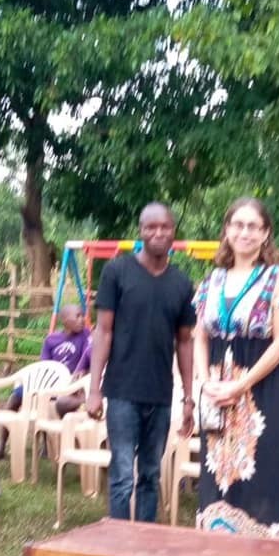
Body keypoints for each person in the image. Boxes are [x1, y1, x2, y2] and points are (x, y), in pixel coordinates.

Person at [193, 196, 279, 556]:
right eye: (238, 225)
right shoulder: (211, 281)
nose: (245, 232)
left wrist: (240, 386)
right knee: (217, 473)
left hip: (261, 390)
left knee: (261, 473)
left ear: (265, 233)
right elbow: (199, 336)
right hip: (218, 391)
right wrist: (206, 382)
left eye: (253, 226)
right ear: (227, 230)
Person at [87, 202, 195, 522]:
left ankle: (146, 539)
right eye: (151, 227)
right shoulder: (117, 272)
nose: (158, 233)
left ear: (173, 232)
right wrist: (94, 389)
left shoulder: (182, 283)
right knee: (122, 474)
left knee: (150, 474)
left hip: (160, 394)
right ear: (141, 231)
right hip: (121, 391)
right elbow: (103, 331)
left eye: (165, 227)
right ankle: (120, 540)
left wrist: (188, 398)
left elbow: (185, 341)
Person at [0, 303, 89, 460]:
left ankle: (48, 443)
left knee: (48, 402)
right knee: (15, 397)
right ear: (65, 320)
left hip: (70, 385)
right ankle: (2, 445)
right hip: (49, 382)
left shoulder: (85, 336)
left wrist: (80, 373)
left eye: (82, 315)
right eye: (77, 316)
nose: (82, 319)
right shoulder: (51, 340)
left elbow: (86, 358)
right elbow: (44, 366)